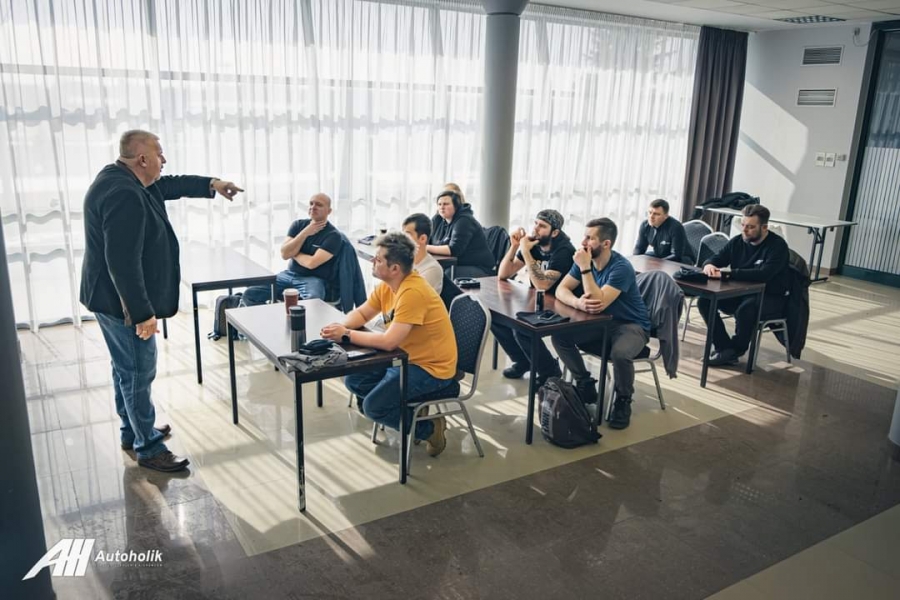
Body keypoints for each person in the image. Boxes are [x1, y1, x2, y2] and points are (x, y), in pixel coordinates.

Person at [80, 130, 243, 472]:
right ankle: (149, 448)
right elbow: (122, 263)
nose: (164, 160)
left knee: (125, 368)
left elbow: (170, 185)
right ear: (142, 159)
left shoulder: (124, 178)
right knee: (138, 371)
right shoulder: (124, 193)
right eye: (159, 153)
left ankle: (133, 432)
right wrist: (142, 314)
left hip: (105, 296)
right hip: (119, 302)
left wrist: (212, 184)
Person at [321, 233, 458, 456]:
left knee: (373, 407)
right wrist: (338, 327)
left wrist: (345, 335)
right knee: (355, 380)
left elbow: (388, 341)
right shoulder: (388, 286)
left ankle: (429, 428)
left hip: (431, 368)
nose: (372, 261)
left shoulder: (412, 292)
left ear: (394, 268)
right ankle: (409, 412)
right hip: (405, 358)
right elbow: (362, 313)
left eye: (378, 259)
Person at [551, 218, 651, 430]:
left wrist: (585, 268)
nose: (583, 242)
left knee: (620, 354)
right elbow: (561, 290)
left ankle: (623, 400)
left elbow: (598, 303)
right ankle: (585, 383)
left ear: (606, 243)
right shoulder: (585, 260)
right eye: (584, 236)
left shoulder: (621, 267)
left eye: (590, 238)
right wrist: (577, 302)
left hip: (631, 325)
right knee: (560, 336)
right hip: (601, 324)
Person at [700, 204, 790, 367]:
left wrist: (729, 274)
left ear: (764, 227)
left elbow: (764, 274)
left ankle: (736, 350)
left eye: (750, 227)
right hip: (741, 292)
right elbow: (717, 258)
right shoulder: (738, 241)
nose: (744, 230)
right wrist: (709, 265)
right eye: (743, 225)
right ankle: (724, 348)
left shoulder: (778, 246)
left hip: (770, 297)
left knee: (745, 309)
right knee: (705, 301)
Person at [494, 209, 575, 385]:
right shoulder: (535, 244)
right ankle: (523, 361)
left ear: (555, 232)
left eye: (542, 226)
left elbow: (543, 285)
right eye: (536, 223)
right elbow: (503, 274)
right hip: (540, 302)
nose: (536, 228)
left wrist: (526, 252)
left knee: (521, 328)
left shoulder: (564, 250)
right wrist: (515, 246)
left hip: (563, 306)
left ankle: (549, 370)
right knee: (496, 319)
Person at [242, 193, 341, 306]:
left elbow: (311, 263)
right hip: (288, 275)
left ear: (329, 211)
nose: (313, 207)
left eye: (319, 205)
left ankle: (298, 317)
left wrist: (293, 252)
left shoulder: (333, 235)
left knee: (313, 301)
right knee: (250, 294)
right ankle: (268, 318)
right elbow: (284, 254)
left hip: (313, 279)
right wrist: (305, 232)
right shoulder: (298, 225)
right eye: (311, 203)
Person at [426, 188, 494, 277]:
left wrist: (425, 247)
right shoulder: (438, 219)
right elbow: (429, 240)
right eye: (439, 204)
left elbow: (454, 250)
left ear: (456, 206)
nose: (442, 207)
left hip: (478, 267)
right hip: (454, 264)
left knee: (446, 274)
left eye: (446, 204)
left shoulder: (465, 220)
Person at [633, 198, 693, 264]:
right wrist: (634, 262)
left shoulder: (676, 227)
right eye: (650, 213)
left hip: (681, 260)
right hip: (661, 256)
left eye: (656, 214)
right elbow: (639, 248)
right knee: (643, 258)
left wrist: (656, 264)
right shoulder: (645, 225)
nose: (651, 217)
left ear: (666, 216)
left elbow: (676, 256)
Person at [402, 213, 443, 293]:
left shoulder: (433, 269)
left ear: (423, 238)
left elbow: (410, 295)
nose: (402, 239)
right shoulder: (404, 262)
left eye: (407, 235)